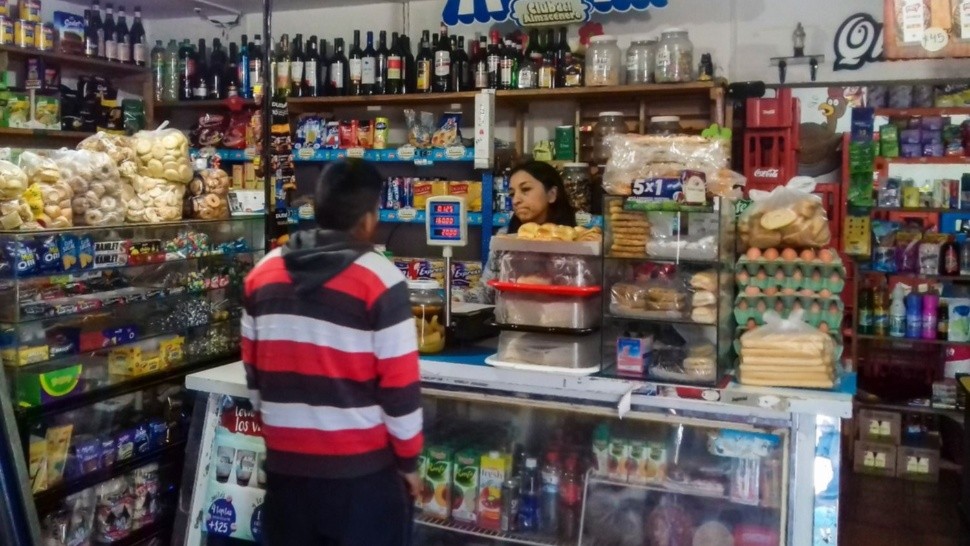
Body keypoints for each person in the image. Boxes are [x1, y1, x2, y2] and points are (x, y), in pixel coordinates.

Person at [241, 159, 423, 546]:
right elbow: (400, 390)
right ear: (370, 218)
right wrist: (409, 463)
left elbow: (254, 379)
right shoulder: (382, 280)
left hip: (286, 476)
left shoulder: (263, 273)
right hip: (361, 481)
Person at [479, 160, 576, 302]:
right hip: (509, 320)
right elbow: (486, 292)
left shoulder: (576, 240)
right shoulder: (505, 238)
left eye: (525, 190)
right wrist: (456, 299)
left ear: (552, 194)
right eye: (512, 194)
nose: (516, 200)